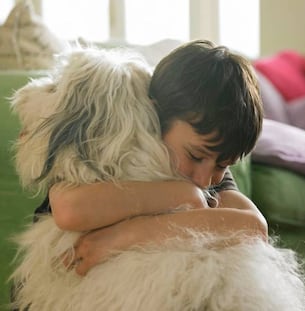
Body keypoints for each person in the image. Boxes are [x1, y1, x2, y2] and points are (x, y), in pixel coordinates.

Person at [36, 39, 267, 276]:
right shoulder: (115, 145)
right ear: (156, 117)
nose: (205, 179)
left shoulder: (207, 165)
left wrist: (123, 237)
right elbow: (69, 210)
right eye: (196, 156)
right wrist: (183, 195)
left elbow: (254, 227)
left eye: (223, 165)